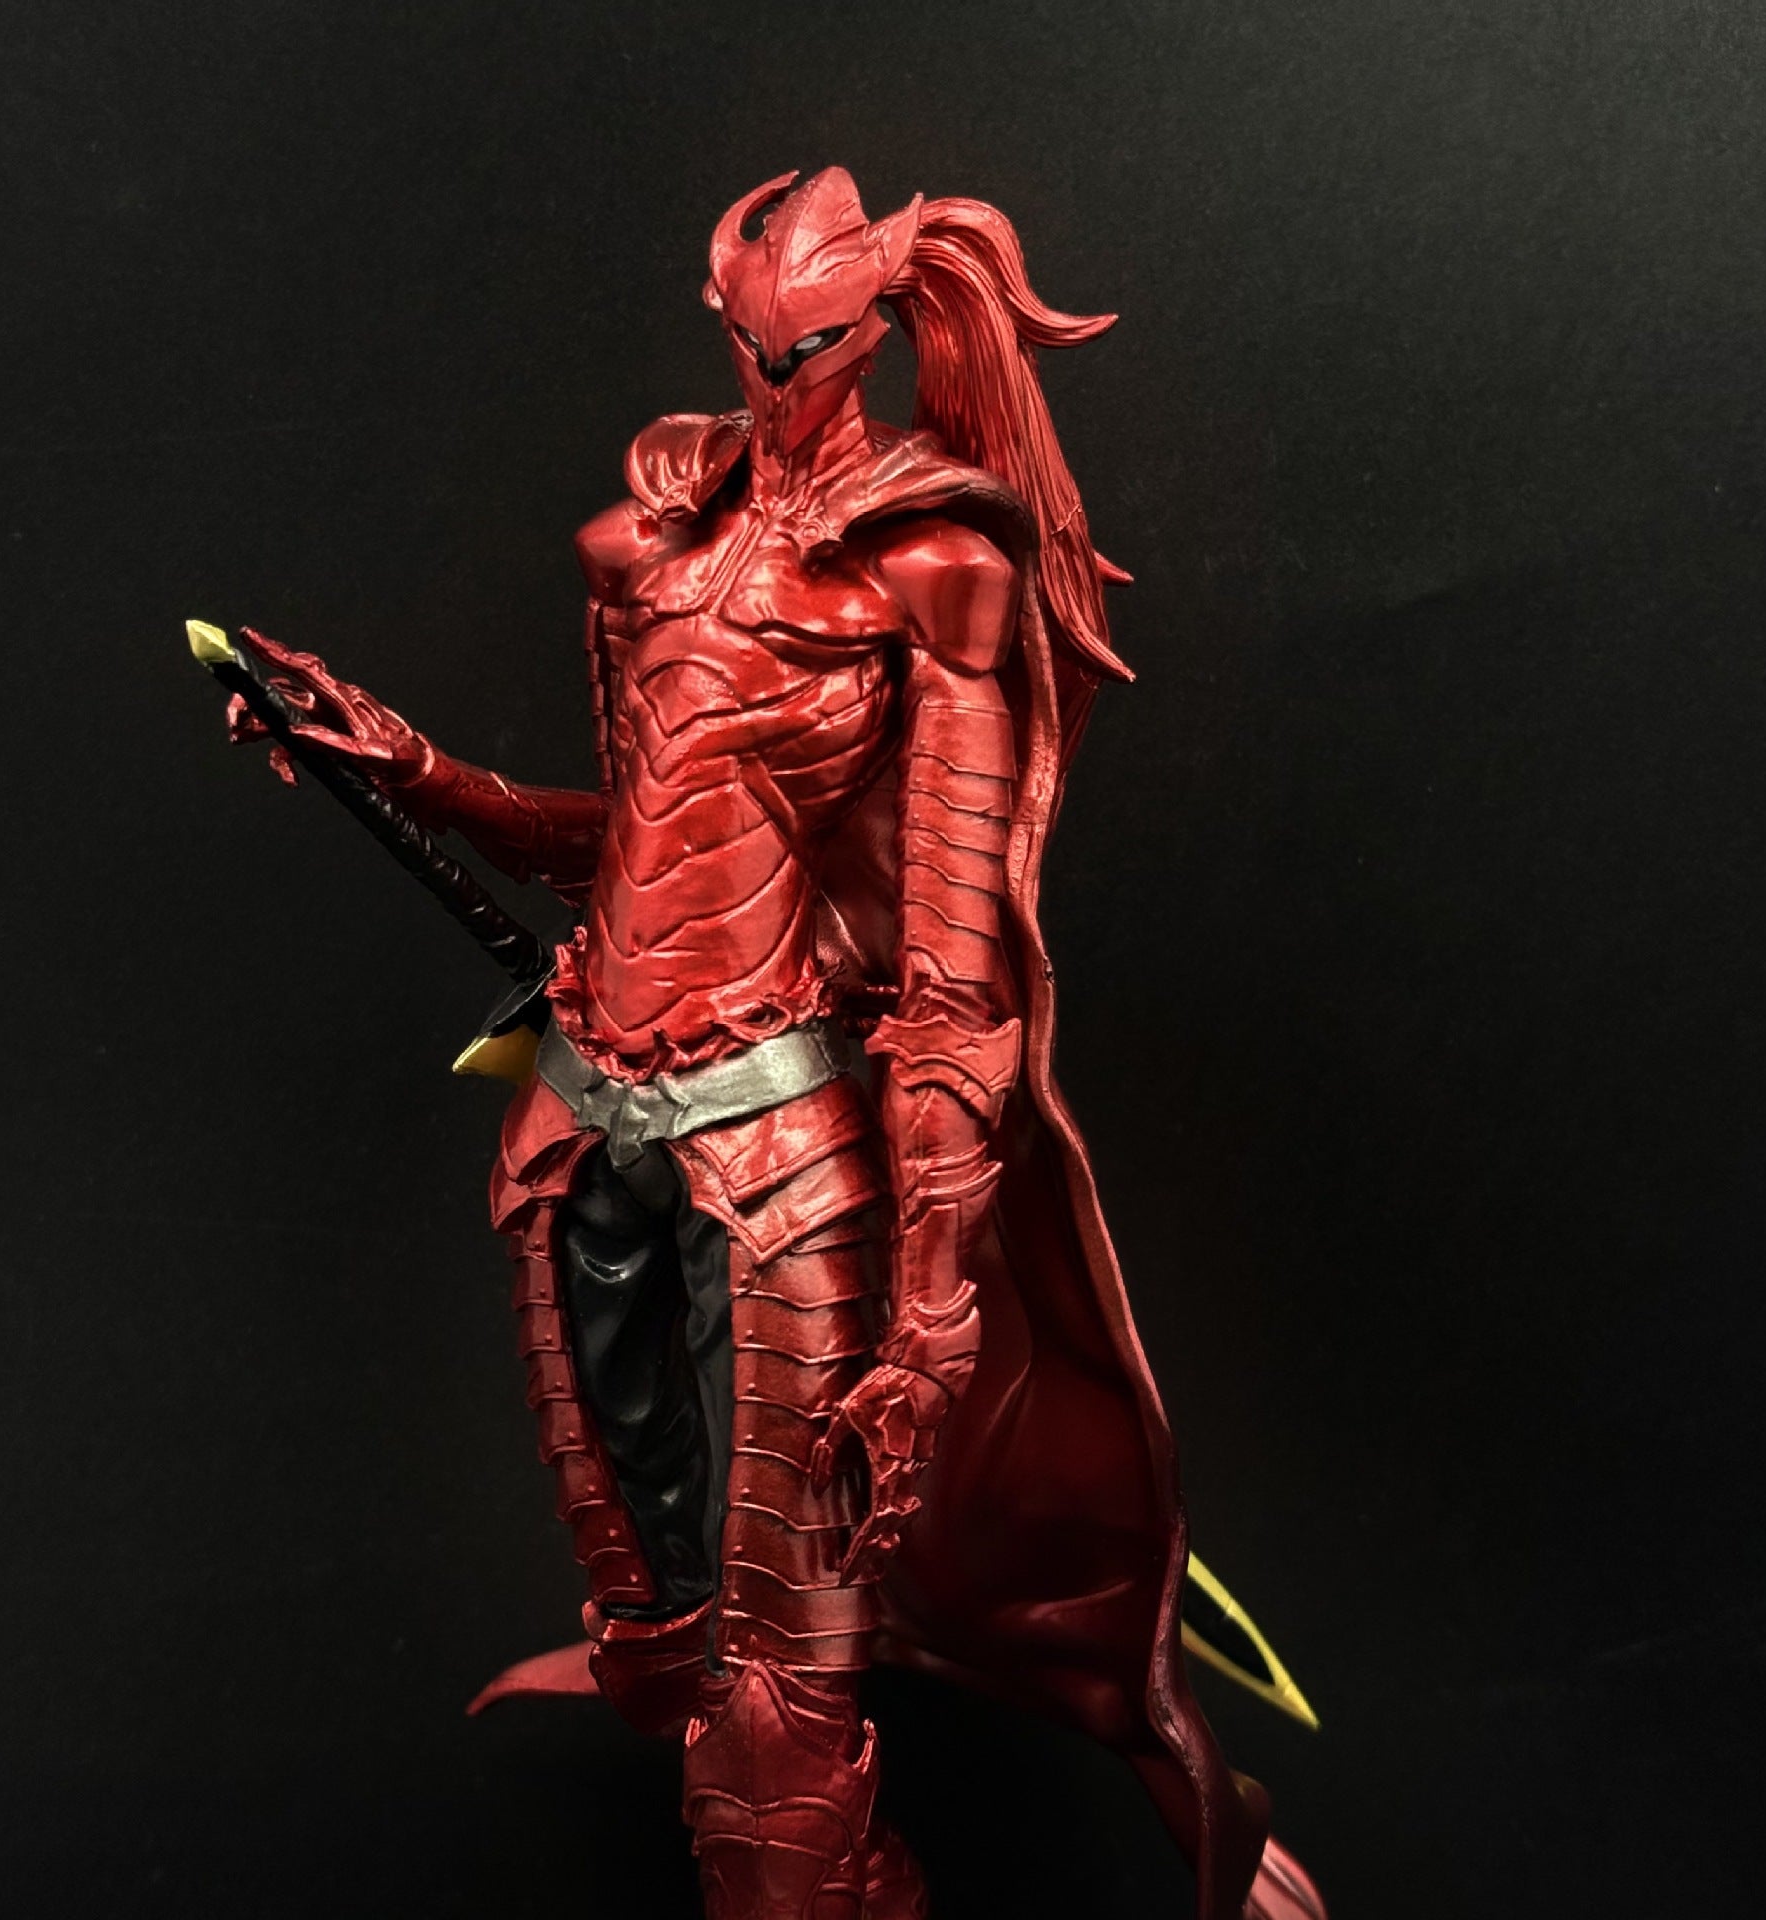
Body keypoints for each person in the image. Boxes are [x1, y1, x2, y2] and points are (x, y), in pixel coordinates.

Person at [225, 167, 1322, 1920]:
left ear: (871, 332)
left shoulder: (934, 568)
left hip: (776, 1156)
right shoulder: (647, 540)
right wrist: (412, 774)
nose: (770, 379)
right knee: (655, 1628)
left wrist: (934, 1316)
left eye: (802, 350)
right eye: (746, 344)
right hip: (575, 1126)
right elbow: (636, 843)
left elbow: (951, 972)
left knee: (776, 1722)